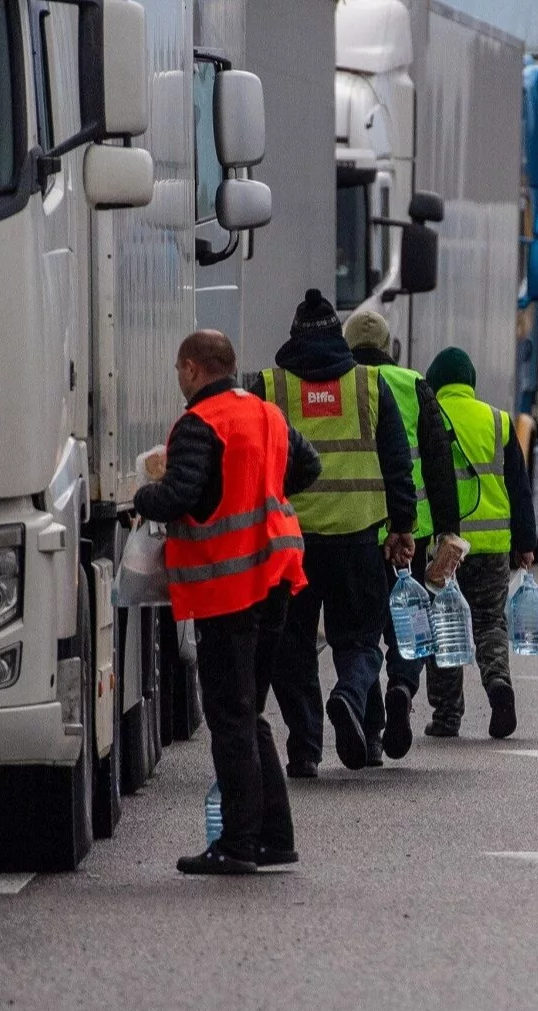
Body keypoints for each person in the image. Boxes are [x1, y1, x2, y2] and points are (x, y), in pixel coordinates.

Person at [133, 330, 319, 876]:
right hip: (278, 575)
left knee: (230, 717)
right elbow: (307, 468)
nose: (178, 379)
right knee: (249, 712)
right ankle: (273, 838)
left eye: (178, 369)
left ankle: (238, 844)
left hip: (229, 586)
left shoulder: (200, 423)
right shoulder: (264, 414)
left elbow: (179, 496)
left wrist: (141, 497)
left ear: (193, 368)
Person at [248, 292, 418, 774]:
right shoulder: (368, 386)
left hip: (290, 545)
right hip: (359, 538)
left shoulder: (270, 387)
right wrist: (402, 526)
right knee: (361, 640)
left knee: (291, 646)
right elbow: (397, 461)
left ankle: (304, 748)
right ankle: (348, 695)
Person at [342, 307, 464, 762]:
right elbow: (438, 461)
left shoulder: (343, 385)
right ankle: (402, 687)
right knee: (411, 627)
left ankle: (370, 730)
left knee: (363, 633)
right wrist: (449, 529)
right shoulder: (415, 384)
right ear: (389, 347)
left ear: (348, 346)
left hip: (355, 529)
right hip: (412, 535)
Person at [418, 346, 538, 740]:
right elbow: (519, 490)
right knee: (489, 621)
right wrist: (524, 543)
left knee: (445, 626)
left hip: (447, 547)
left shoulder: (428, 415)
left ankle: (447, 716)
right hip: (492, 546)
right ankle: (498, 682)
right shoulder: (498, 421)